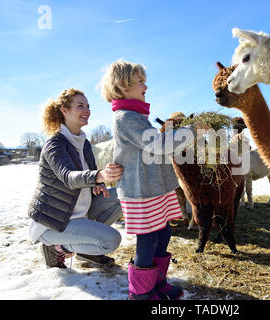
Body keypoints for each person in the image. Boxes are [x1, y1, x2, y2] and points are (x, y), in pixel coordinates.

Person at [99, 59, 206, 300]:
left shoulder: (136, 115)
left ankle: (156, 282)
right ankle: (140, 292)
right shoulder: (125, 117)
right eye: (140, 82)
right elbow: (156, 144)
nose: (145, 86)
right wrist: (191, 131)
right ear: (122, 85)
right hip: (140, 191)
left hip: (153, 188)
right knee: (147, 239)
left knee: (163, 233)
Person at [27, 88, 124, 269]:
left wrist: (97, 185)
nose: (86, 110)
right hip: (53, 222)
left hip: (80, 212)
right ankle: (56, 248)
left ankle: (85, 249)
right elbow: (69, 177)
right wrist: (98, 176)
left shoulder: (84, 143)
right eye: (80, 106)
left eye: (88, 106)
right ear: (64, 110)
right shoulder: (54, 144)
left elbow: (87, 177)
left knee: (123, 196)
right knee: (111, 240)